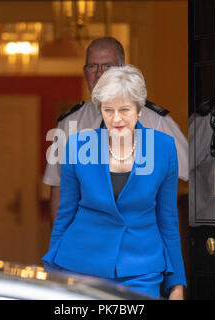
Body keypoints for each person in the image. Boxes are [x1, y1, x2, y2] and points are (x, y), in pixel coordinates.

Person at [42, 65, 186, 300]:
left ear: (140, 109)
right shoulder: (77, 146)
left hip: (142, 270)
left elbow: (167, 221)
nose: (116, 118)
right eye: (108, 110)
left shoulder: (163, 147)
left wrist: (177, 285)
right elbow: (65, 215)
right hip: (81, 266)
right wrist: (52, 272)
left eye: (124, 110)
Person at [43, 37, 188, 224]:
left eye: (107, 67)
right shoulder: (69, 123)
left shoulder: (155, 121)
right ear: (85, 72)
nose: (99, 75)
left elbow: (188, 176)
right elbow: (59, 192)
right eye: (92, 67)